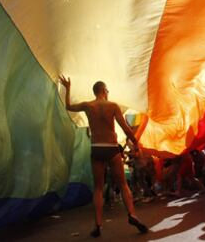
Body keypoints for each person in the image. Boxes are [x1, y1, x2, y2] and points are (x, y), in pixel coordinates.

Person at [59, 76, 148, 237]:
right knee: (122, 184)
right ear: (104, 90)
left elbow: (68, 106)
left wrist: (67, 88)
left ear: (95, 92)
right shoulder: (112, 105)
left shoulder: (88, 105)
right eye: (107, 90)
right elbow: (126, 128)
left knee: (98, 188)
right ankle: (132, 215)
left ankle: (98, 224)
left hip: (97, 148)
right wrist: (135, 142)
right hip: (112, 148)